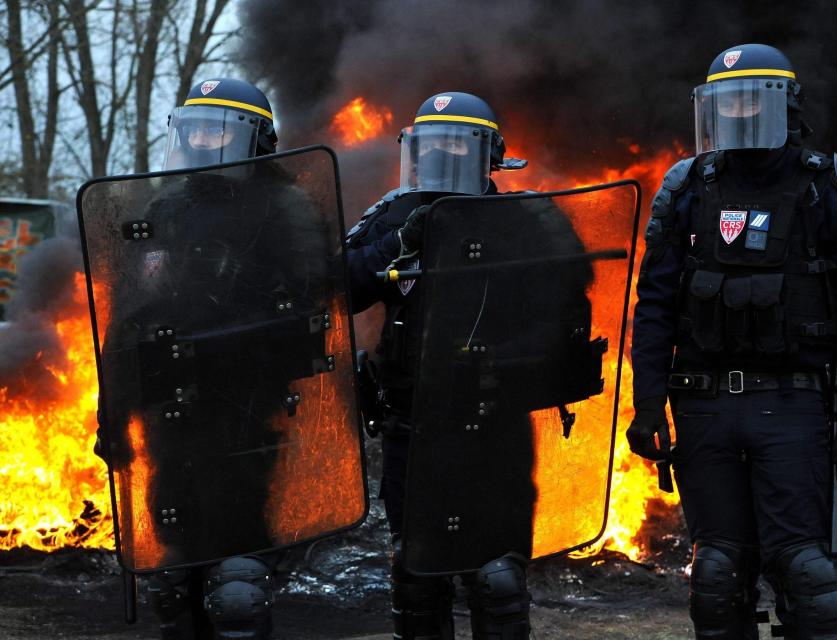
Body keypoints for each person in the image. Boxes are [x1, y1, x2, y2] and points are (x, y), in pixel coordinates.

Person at [628, 44, 837, 640]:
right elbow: (655, 306)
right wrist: (648, 406)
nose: (739, 117)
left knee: (806, 575)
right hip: (703, 407)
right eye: (727, 104)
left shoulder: (827, 185)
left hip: (794, 406)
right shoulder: (690, 184)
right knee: (717, 574)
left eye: (752, 103)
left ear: (786, 106)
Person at [95, 78, 327, 640]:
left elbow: (313, 304)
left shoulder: (285, 207)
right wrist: (113, 413)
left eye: (218, 129)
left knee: (237, 583)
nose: (203, 141)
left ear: (258, 140)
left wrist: (241, 292)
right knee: (173, 575)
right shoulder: (165, 207)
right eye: (194, 128)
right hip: (169, 411)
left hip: (246, 410)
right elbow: (128, 316)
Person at [347, 92, 552, 640]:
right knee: (415, 574)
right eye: (432, 145)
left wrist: (500, 363)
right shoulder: (393, 213)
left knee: (498, 579)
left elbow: (566, 316)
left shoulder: (525, 221)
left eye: (457, 146)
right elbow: (339, 287)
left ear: (490, 156)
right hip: (411, 428)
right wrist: (400, 241)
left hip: (496, 431)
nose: (443, 157)